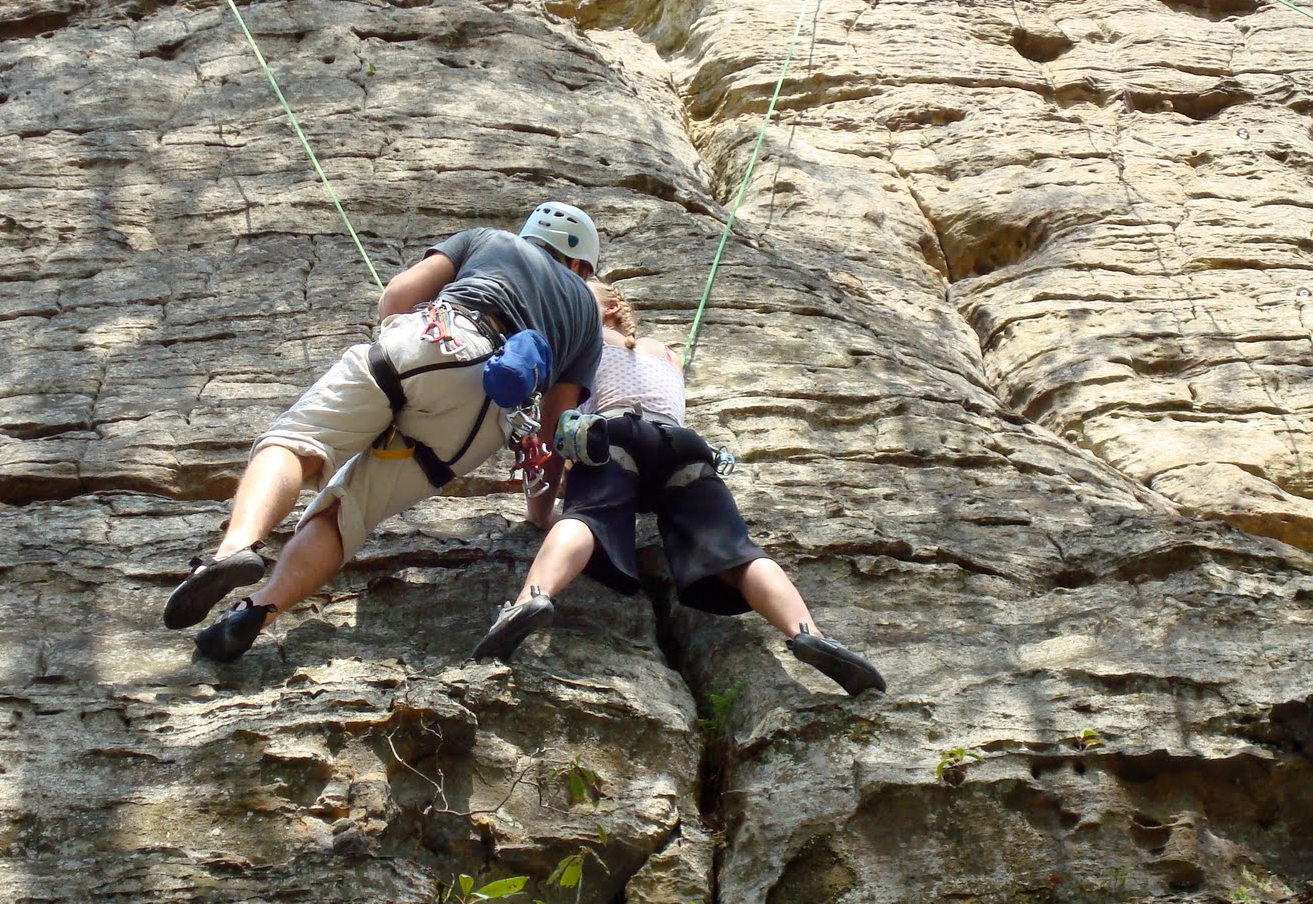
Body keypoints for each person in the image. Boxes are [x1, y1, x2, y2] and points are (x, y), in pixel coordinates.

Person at [164, 201, 605, 662]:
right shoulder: (586, 317)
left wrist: (399, 360)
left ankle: (234, 549)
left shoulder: (490, 239)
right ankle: (257, 609)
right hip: (482, 418)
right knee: (349, 512)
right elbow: (555, 428)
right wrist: (539, 513)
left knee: (297, 445)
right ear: (579, 265)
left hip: (440, 337)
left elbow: (396, 296)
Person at [472, 280, 885, 696]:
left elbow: (555, 426)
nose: (567, 309)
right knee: (736, 553)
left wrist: (541, 507)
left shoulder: (582, 342)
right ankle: (807, 632)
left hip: (614, 438)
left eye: (578, 301)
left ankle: (531, 598)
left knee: (586, 519)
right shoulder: (667, 353)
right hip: (684, 449)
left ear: (612, 306)